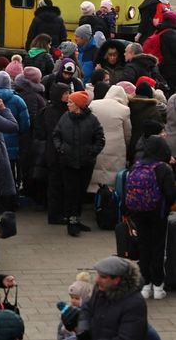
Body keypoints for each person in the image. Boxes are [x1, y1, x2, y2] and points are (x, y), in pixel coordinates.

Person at [123, 135, 176, 300]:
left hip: (139, 213)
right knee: (159, 248)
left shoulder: (135, 167)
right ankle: (158, 287)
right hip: (158, 214)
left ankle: (145, 286)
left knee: (144, 247)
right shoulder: (163, 168)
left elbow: (128, 192)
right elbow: (170, 194)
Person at [52, 91, 105, 236]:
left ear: (79, 105)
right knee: (71, 192)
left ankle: (76, 219)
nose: (67, 104)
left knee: (81, 192)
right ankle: (72, 221)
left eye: (70, 102)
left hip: (85, 162)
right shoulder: (65, 117)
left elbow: (100, 138)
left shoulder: (92, 120)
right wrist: (60, 148)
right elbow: (56, 134)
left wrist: (92, 152)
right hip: (68, 161)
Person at [68, 257, 147, 340]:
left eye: (103, 277)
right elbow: (87, 308)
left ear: (116, 280)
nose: (97, 280)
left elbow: (128, 337)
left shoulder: (134, 304)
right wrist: (83, 328)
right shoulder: (100, 289)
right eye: (98, 275)